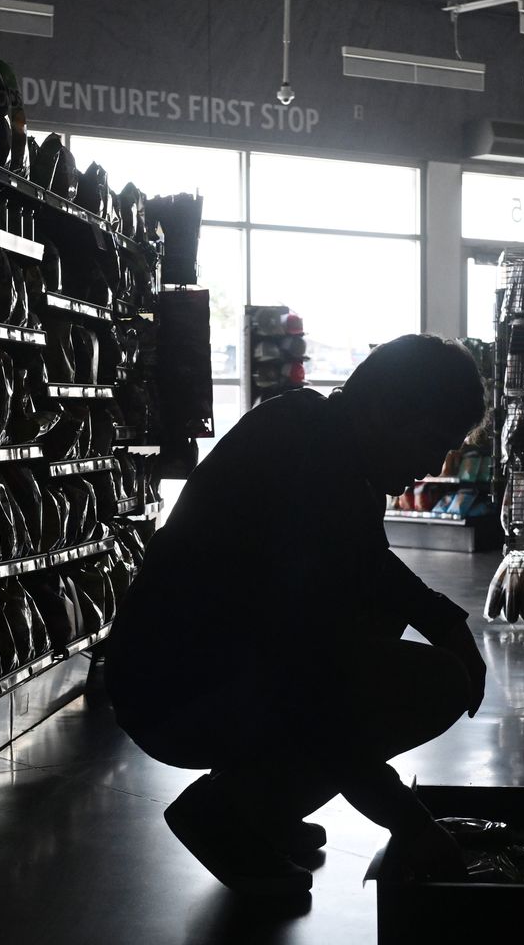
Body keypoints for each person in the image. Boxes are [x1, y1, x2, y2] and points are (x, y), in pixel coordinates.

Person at [108, 334, 489, 895]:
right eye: (433, 441)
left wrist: (445, 621)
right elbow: (313, 680)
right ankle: (226, 812)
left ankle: (259, 807)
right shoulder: (310, 462)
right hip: (176, 693)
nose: (434, 464)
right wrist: (410, 823)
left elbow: (369, 566)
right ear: (387, 410)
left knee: (375, 629)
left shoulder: (321, 442)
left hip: (184, 672)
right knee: (434, 685)